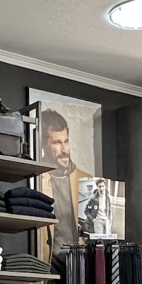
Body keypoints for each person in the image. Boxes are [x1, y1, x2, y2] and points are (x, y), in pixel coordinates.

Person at [40, 107, 90, 257]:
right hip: (46, 267)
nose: (65, 150)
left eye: (66, 141)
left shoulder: (86, 180)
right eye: (57, 143)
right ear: (43, 145)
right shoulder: (35, 179)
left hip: (80, 266)